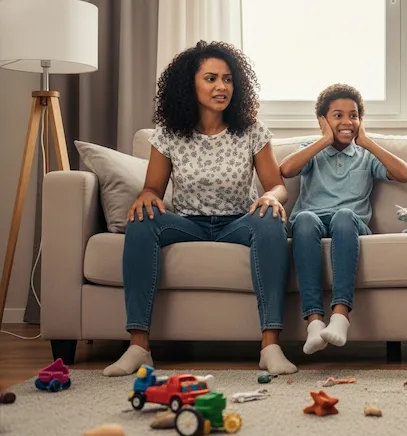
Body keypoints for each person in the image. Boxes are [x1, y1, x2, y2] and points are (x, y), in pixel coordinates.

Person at [103, 41, 297, 376]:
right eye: (211, 78)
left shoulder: (251, 131)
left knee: (269, 219)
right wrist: (146, 195)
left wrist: (270, 198)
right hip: (187, 224)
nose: (221, 86)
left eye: (227, 79)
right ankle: (138, 347)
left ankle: (270, 346)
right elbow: (153, 188)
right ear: (188, 84)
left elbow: (277, 186)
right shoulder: (169, 135)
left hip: (239, 223)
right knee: (141, 221)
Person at [279, 83, 407, 355]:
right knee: (303, 218)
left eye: (353, 115)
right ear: (323, 121)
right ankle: (314, 322)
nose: (346, 121)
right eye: (337, 115)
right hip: (311, 222)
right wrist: (324, 140)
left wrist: (366, 142)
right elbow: (286, 169)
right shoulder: (312, 150)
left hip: (350, 225)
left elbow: (405, 174)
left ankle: (340, 316)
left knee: (343, 215)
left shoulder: (365, 154)